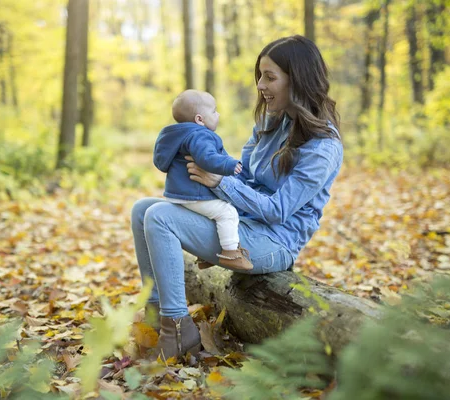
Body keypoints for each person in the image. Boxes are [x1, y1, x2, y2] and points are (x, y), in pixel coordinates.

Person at [131, 35, 344, 361]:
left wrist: (220, 183)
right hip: (240, 223)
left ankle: (176, 328)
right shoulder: (270, 122)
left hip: (274, 243)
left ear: (298, 79)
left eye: (270, 77)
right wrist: (210, 182)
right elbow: (242, 174)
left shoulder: (323, 146)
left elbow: (278, 210)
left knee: (161, 217)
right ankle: (155, 312)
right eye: (260, 75)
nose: (260, 85)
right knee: (142, 209)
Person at [153, 89, 253, 271]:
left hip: (177, 193)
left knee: (206, 217)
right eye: (214, 111)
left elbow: (160, 163)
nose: (218, 114)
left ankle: (204, 255)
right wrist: (228, 164)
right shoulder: (200, 134)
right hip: (194, 193)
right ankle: (231, 253)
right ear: (200, 119)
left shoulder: (173, 135)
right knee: (227, 212)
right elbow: (206, 157)